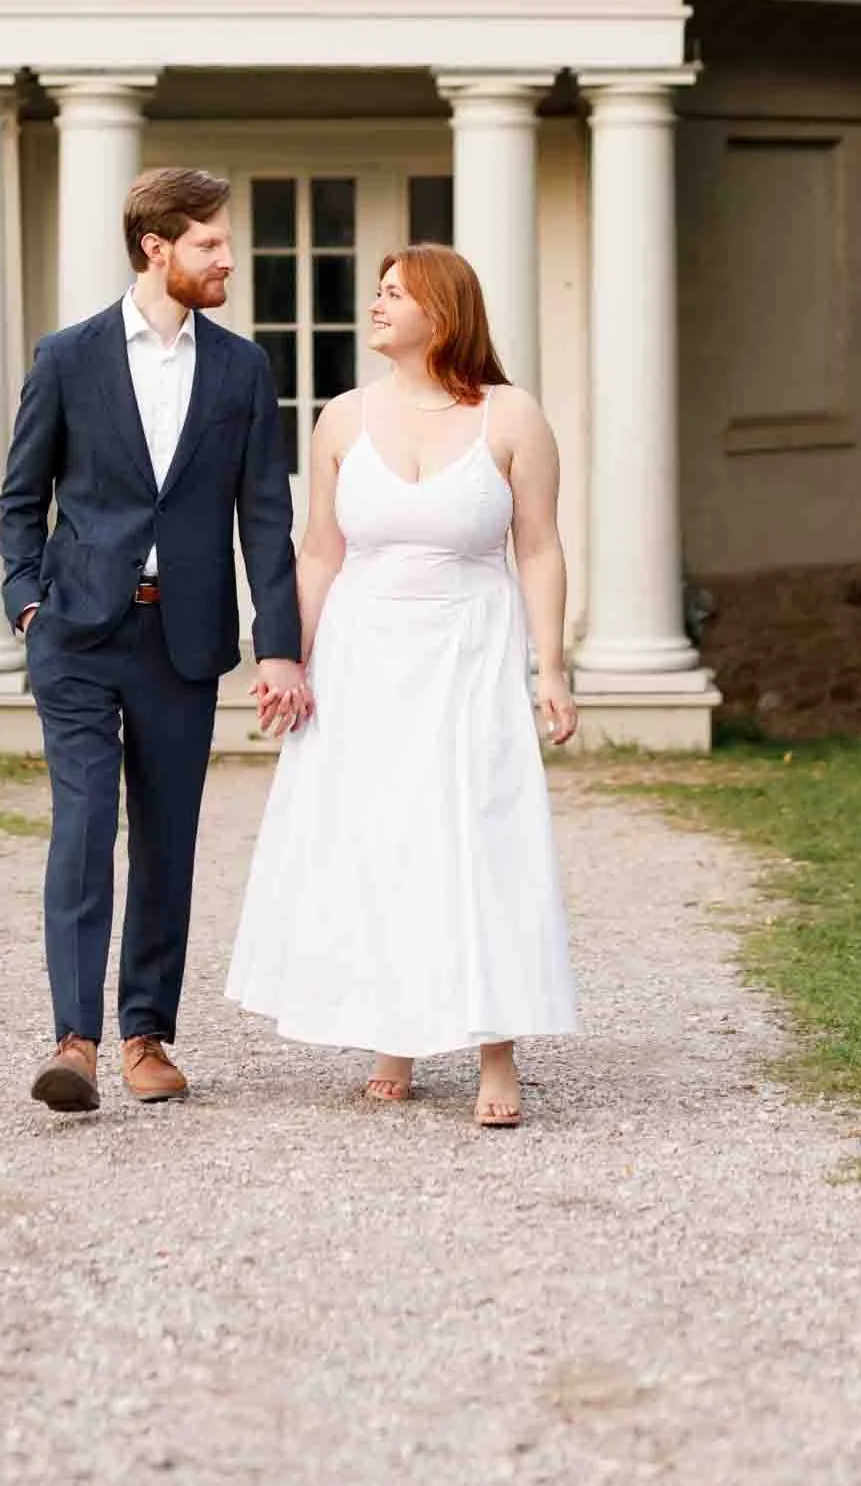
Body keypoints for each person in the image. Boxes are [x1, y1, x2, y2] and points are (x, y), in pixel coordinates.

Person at [227, 244, 580, 1128]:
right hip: (363, 654)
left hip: (469, 648)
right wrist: (288, 660)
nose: (375, 305)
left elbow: (537, 547)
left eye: (395, 293)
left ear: (444, 312)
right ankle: (396, 1034)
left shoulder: (512, 416)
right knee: (381, 839)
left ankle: (496, 1048)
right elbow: (319, 553)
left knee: (477, 834)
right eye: (377, 291)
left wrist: (551, 667)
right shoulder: (341, 419)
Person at [0, 166, 306, 1115]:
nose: (227, 261)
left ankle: (146, 1036)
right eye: (211, 244)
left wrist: (281, 646)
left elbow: (264, 517)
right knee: (85, 831)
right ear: (156, 248)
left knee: (168, 843)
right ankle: (75, 1042)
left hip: (184, 641)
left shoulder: (243, 369)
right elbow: (22, 498)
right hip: (80, 635)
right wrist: (26, 603)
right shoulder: (67, 356)